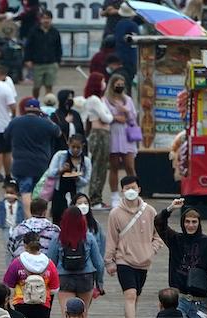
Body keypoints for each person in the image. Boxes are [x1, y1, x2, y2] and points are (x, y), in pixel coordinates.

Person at [155, 199, 207, 318]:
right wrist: (170, 209)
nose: (190, 225)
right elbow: (159, 223)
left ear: (199, 223)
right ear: (183, 223)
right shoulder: (175, 239)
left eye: (194, 222)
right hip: (179, 298)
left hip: (200, 299)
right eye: (187, 222)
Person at [104, 176, 162, 318]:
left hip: (144, 260)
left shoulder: (149, 211)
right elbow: (111, 238)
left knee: (136, 295)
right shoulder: (115, 213)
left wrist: (151, 250)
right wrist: (109, 261)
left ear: (139, 189)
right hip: (124, 259)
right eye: (127, 188)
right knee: (130, 294)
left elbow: (158, 235)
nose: (130, 191)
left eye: (133, 187)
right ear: (122, 190)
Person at [4, 231, 60, 318]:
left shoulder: (17, 263)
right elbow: (55, 289)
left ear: (24, 245)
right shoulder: (49, 263)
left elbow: (8, 285)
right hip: (43, 303)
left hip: (21, 303)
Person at [46, 205, 103, 314]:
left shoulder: (58, 238)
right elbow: (99, 263)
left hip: (64, 278)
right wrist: (99, 284)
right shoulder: (89, 237)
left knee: (67, 314)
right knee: (83, 314)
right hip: (85, 278)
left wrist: (49, 284)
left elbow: (50, 262)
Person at [6, 97, 63, 206]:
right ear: (39, 110)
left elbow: (6, 136)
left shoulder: (15, 122)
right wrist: (46, 117)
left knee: (25, 191)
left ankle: (28, 218)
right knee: (40, 193)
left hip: (20, 165)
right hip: (40, 164)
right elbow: (58, 133)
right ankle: (39, 218)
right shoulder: (45, 123)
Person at [41, 134, 91, 223]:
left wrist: (78, 178)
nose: (75, 150)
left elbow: (86, 180)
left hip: (76, 193)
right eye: (73, 147)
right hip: (59, 192)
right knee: (58, 218)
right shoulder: (60, 155)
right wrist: (61, 170)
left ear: (82, 146)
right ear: (68, 144)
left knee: (76, 219)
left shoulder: (86, 161)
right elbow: (50, 173)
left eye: (78, 147)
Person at [82, 73, 114, 207]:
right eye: (102, 81)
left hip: (104, 134)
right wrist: (108, 115)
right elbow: (107, 118)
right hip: (99, 134)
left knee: (102, 167)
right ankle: (94, 198)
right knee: (97, 167)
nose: (104, 84)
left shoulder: (100, 99)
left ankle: (97, 197)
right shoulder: (94, 100)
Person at [105, 73, 138, 197]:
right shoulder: (106, 100)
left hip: (127, 135)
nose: (120, 87)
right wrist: (115, 117)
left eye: (122, 85)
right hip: (113, 134)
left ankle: (134, 191)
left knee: (130, 166)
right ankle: (114, 195)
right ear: (112, 85)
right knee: (114, 166)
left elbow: (134, 118)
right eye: (117, 84)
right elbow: (105, 116)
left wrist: (126, 111)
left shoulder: (128, 100)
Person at [23, 10, 61, 98]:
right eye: (44, 18)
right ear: (40, 19)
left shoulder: (55, 32)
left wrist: (58, 61)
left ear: (51, 19)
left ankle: (48, 104)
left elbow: (58, 48)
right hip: (37, 63)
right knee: (36, 86)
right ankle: (35, 102)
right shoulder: (33, 31)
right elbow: (28, 46)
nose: (46, 20)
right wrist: (27, 59)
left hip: (51, 63)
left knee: (49, 85)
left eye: (48, 18)